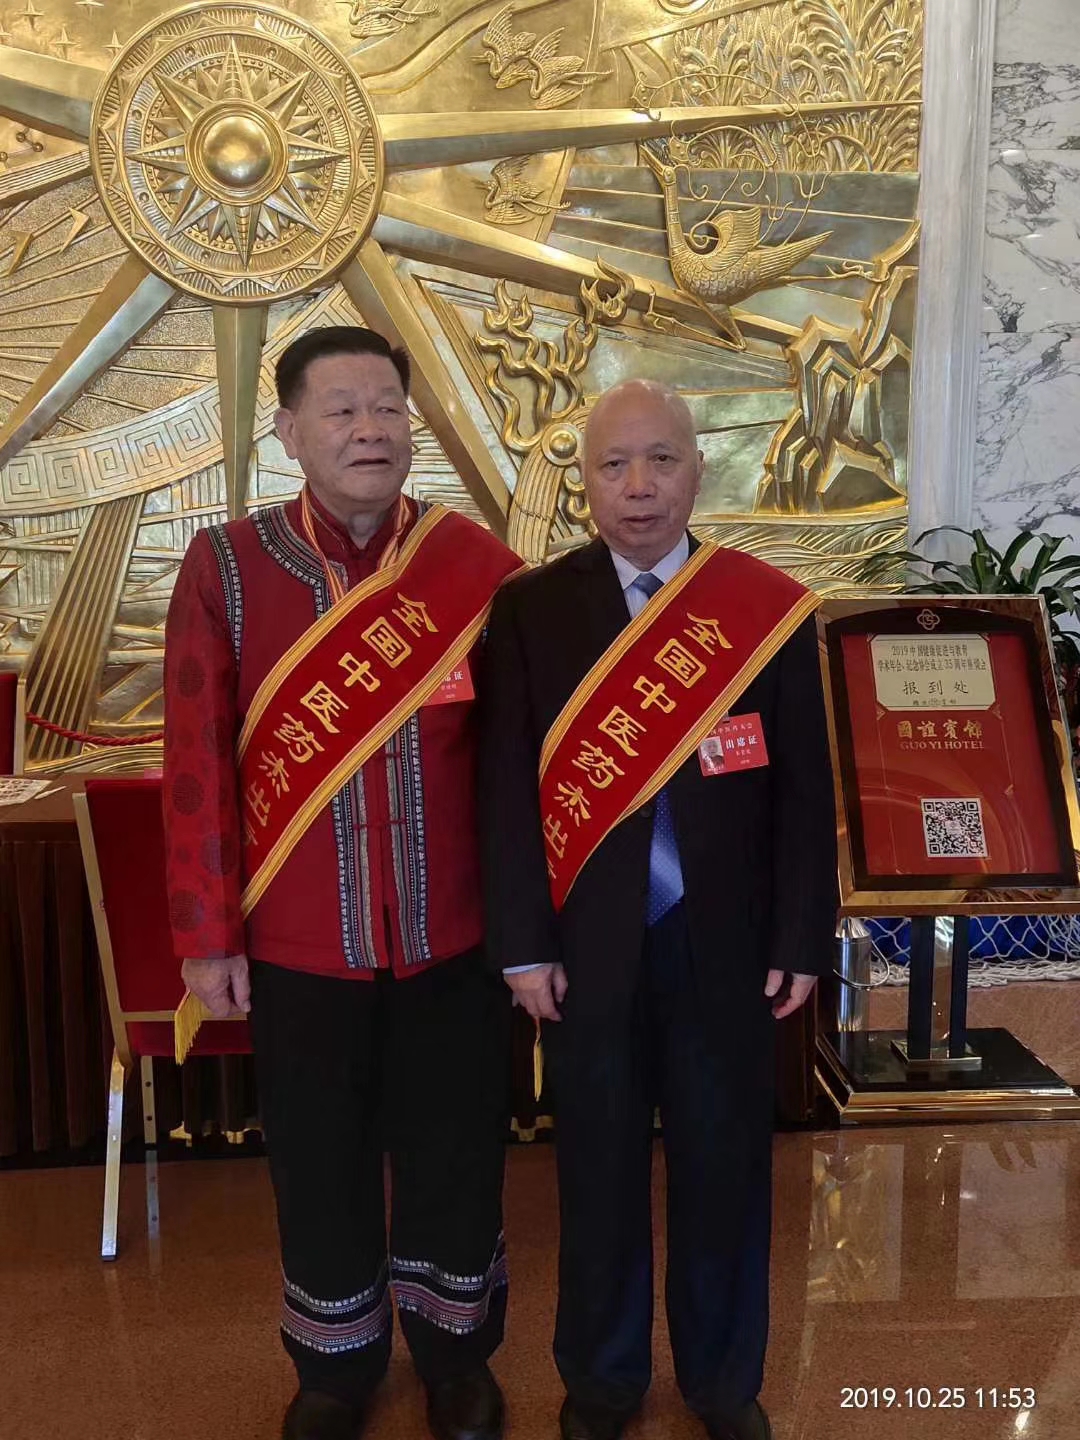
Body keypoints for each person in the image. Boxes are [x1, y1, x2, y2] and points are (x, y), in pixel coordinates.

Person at [163, 326, 521, 1440]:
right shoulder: (228, 567)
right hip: (298, 942)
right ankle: (335, 1367)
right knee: (318, 1163)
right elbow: (194, 759)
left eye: (388, 408)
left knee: (456, 1152)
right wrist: (206, 935)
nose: (371, 430)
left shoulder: (476, 568)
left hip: (452, 936)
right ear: (289, 431)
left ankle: (456, 1357)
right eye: (342, 410)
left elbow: (520, 765)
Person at [477, 380, 837, 1440]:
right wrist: (520, 946)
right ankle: (601, 1382)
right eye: (614, 464)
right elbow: (504, 794)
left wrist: (801, 936)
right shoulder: (533, 611)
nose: (638, 486)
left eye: (662, 460)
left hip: (729, 949)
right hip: (584, 951)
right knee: (595, 1172)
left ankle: (724, 1383)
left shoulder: (764, 609)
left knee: (726, 1170)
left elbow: (805, 793)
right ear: (584, 483)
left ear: (698, 470)